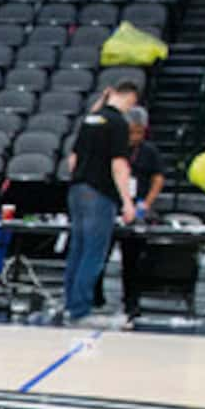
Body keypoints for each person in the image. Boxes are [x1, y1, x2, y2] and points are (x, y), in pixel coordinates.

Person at [61, 79, 141, 323]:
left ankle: (70, 305)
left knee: (77, 250)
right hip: (99, 193)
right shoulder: (118, 123)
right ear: (130, 98)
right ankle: (80, 310)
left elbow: (72, 160)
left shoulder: (90, 119)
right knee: (93, 253)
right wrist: (127, 202)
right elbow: (119, 164)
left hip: (77, 189)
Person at [115, 103, 169, 320]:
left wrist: (147, 202)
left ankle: (131, 301)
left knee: (133, 260)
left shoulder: (149, 151)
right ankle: (95, 298)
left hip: (137, 208)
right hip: (114, 206)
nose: (134, 136)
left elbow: (158, 178)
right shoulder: (115, 148)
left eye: (138, 132)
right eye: (130, 131)